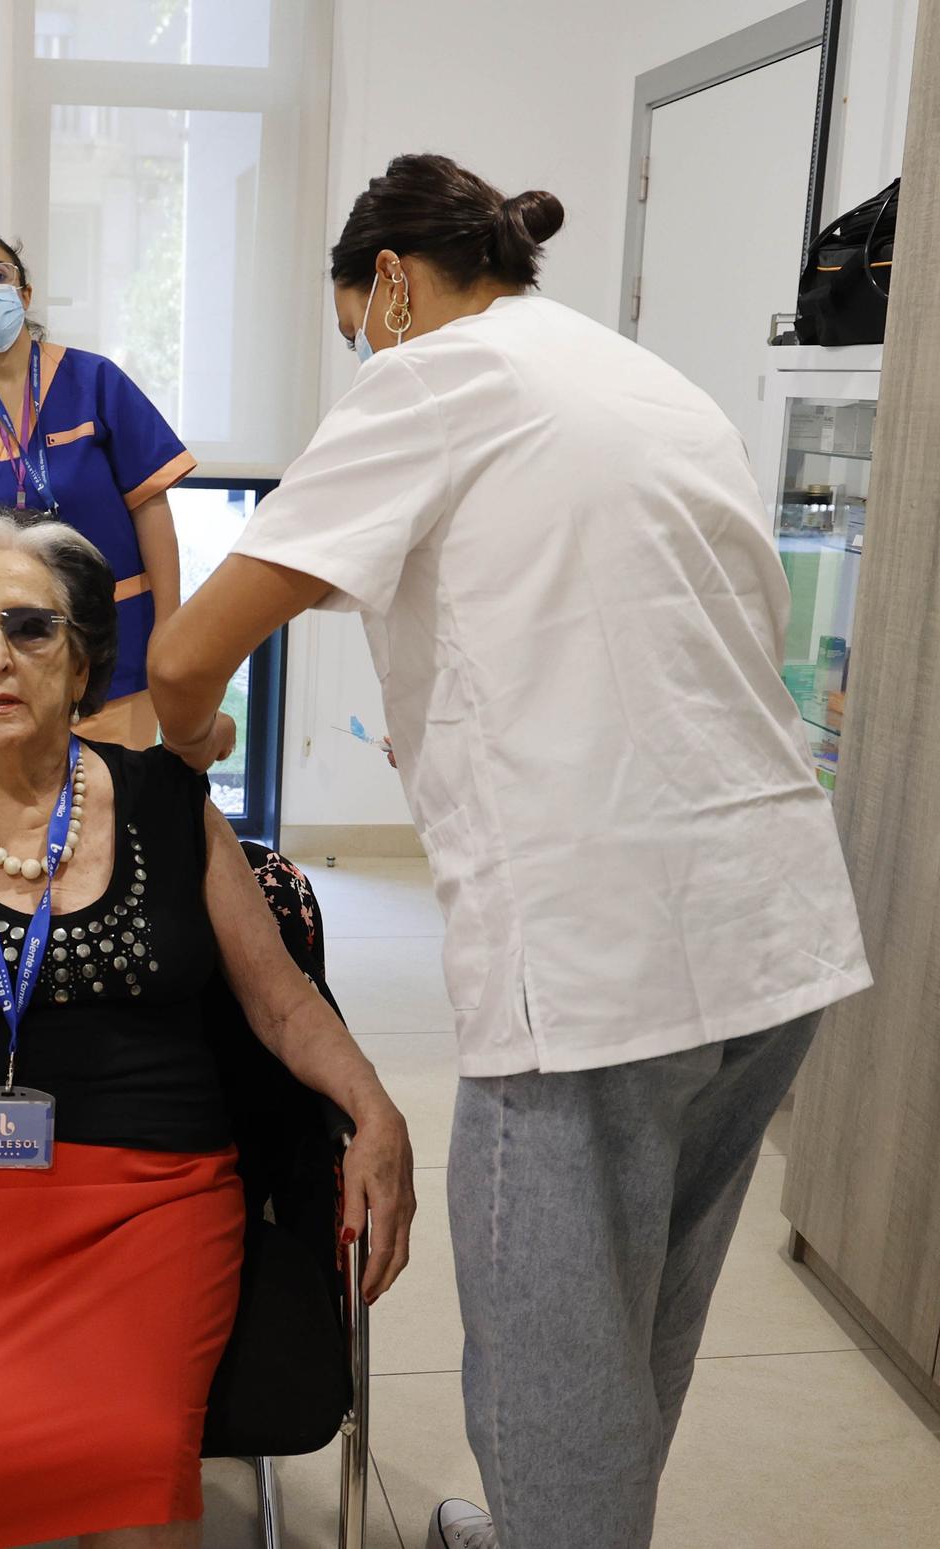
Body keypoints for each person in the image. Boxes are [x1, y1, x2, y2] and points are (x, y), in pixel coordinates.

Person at [147, 154, 873, 1549]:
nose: (364, 351)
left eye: (356, 323)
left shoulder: (431, 376)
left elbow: (191, 654)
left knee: (549, 1363)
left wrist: (185, 747)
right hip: (772, 928)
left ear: (395, 286)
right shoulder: (648, 382)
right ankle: (555, 1520)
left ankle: (552, 1519)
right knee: (636, 1323)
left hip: (600, 960)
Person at [0, 505, 414, 1549]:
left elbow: (281, 1000)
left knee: (132, 1471)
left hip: (152, 1200)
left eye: (31, 628)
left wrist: (374, 1110)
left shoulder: (168, 803)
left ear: (79, 668)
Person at [0, 232, 194, 747]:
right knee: (16, 816)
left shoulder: (95, 382)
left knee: (112, 807)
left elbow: (151, 508)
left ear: (24, 293)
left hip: (117, 649)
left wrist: (169, 630)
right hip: (4, 666)